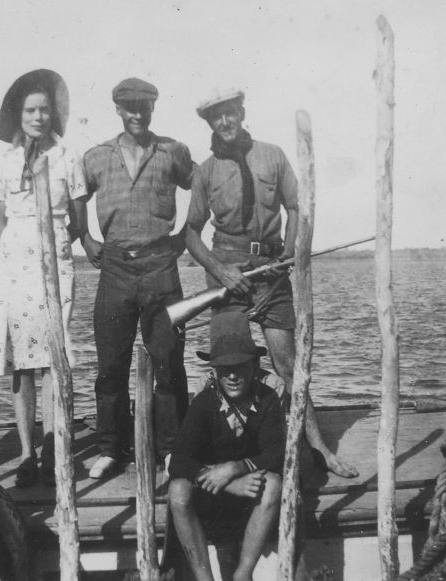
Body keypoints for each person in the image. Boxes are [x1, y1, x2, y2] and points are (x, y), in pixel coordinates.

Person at [185, 88, 359, 478]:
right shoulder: (205, 171)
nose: (225, 122)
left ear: (241, 112)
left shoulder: (273, 155)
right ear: (209, 123)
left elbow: (295, 206)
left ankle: (316, 447)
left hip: (272, 272)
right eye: (217, 118)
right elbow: (191, 234)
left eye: (230, 113)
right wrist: (220, 269)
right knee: (229, 364)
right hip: (228, 275)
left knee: (288, 363)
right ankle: (233, 451)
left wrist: (290, 253)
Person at [81, 77, 195, 479]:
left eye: (143, 106)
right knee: (111, 366)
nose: (136, 113)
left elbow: (201, 186)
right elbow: (77, 197)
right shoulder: (96, 156)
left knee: (169, 362)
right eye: (129, 106)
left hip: (160, 266)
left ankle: (170, 449)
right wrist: (86, 239)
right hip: (114, 268)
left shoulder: (173, 151)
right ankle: (111, 449)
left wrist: (186, 233)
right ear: (117, 109)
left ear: (153, 108)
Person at [0, 69, 89, 488]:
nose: (38, 117)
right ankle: (28, 453)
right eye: (30, 110)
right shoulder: (5, 162)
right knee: (20, 363)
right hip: (16, 267)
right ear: (19, 115)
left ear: (54, 114)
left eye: (45, 109)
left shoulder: (68, 158)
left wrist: (54, 247)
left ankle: (52, 448)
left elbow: (80, 219)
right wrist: (21, 253)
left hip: (56, 262)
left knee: (53, 357)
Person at [168, 312, 284, 581]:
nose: (232, 376)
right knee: (177, 491)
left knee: (275, 484)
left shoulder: (268, 400)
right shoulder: (204, 404)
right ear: (214, 372)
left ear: (254, 367)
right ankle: (204, 576)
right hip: (211, 492)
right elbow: (179, 460)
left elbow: (277, 452)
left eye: (240, 367)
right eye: (224, 369)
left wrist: (236, 468)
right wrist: (227, 481)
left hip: (251, 489)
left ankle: (243, 574)